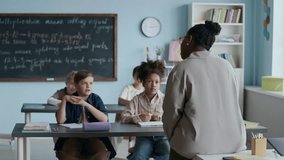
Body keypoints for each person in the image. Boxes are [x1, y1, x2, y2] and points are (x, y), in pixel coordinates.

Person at [162, 21, 246, 160]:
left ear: (189, 40)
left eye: (182, 41)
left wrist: (172, 138)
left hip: (195, 146)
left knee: (176, 147)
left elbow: (171, 112)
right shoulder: (227, 66)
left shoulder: (182, 69)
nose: (180, 46)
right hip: (235, 143)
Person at [54, 70, 116, 160]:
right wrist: (64, 99)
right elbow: (60, 121)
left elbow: (104, 119)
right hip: (72, 136)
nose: (88, 86)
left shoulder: (96, 98)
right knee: (68, 156)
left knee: (101, 155)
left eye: (91, 83)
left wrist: (85, 104)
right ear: (76, 85)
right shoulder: (70, 99)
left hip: (94, 136)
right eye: (84, 83)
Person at [121, 60, 170, 160]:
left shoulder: (165, 99)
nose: (153, 85)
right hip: (144, 137)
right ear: (143, 83)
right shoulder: (136, 100)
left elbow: (173, 118)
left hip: (162, 137)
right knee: (138, 157)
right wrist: (138, 117)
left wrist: (161, 118)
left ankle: (141, 150)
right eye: (149, 81)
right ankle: (138, 150)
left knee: (167, 155)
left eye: (157, 82)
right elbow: (124, 117)